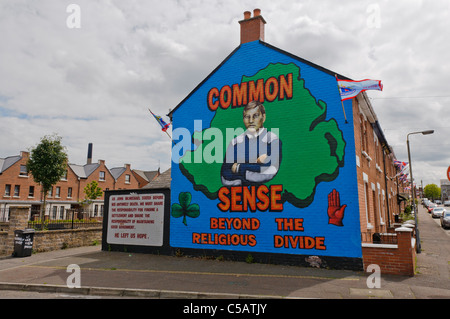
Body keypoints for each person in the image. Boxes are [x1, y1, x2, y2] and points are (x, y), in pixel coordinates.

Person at [221, 100, 281, 186]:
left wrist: (239, 167)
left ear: (263, 118)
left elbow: (270, 171)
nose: (251, 121)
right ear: (243, 119)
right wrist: (256, 164)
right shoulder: (235, 143)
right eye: (247, 117)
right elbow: (225, 175)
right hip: (239, 196)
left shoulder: (273, 140)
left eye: (255, 116)